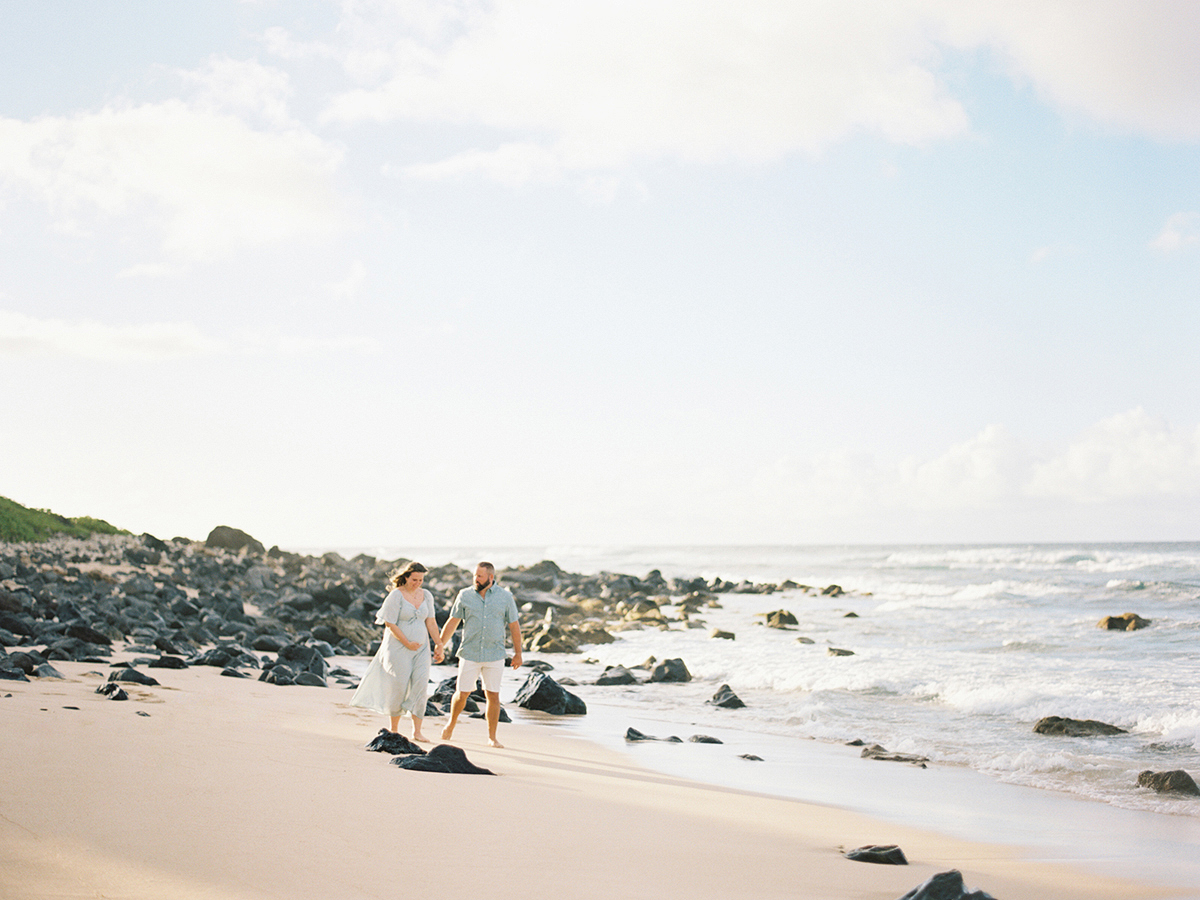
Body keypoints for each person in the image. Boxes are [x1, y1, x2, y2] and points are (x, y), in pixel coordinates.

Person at [350, 561, 444, 741]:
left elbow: (430, 621)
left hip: (422, 649)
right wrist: (407, 642)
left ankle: (417, 731)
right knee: (399, 686)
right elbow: (389, 623)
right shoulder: (396, 596)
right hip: (398, 648)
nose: (417, 583)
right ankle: (394, 729)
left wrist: (439, 644)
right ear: (406, 577)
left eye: (421, 580)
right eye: (414, 579)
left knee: (421, 685)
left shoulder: (427, 596)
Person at [439, 561, 522, 747]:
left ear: (491, 577)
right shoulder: (465, 595)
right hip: (470, 653)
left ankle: (492, 737)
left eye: (480, 576)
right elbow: (453, 622)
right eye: (475, 575)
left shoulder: (505, 597)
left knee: (493, 696)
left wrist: (518, 653)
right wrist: (440, 645)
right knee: (462, 694)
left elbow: (514, 626)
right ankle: (451, 724)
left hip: (495, 654)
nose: (476, 579)